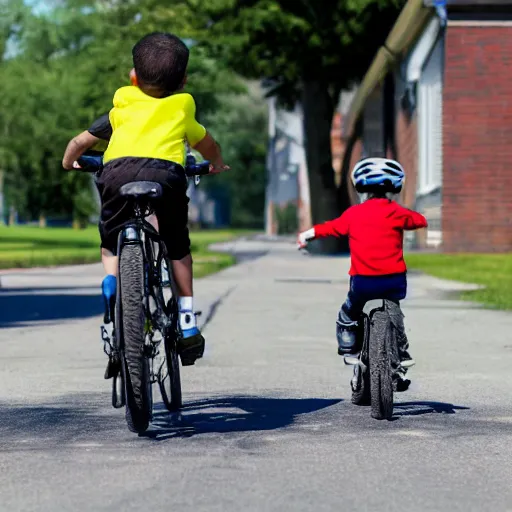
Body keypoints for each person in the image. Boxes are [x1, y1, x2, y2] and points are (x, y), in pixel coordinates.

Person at [62, 32, 229, 366]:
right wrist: (216, 162)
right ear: (183, 80)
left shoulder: (121, 105)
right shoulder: (183, 106)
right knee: (177, 246)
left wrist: (70, 163)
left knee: (110, 241)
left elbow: (79, 143)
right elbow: (205, 143)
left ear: (133, 77)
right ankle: (186, 319)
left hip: (116, 174)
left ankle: (112, 284)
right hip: (166, 175)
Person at [297, 157, 427, 388]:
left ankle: (349, 344)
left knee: (350, 311)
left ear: (360, 187)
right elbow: (418, 221)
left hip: (363, 282)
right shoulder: (396, 212)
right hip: (394, 281)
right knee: (396, 315)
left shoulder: (353, 214)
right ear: (394, 187)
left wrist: (307, 235)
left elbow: (330, 228)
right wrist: (417, 218)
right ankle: (402, 355)